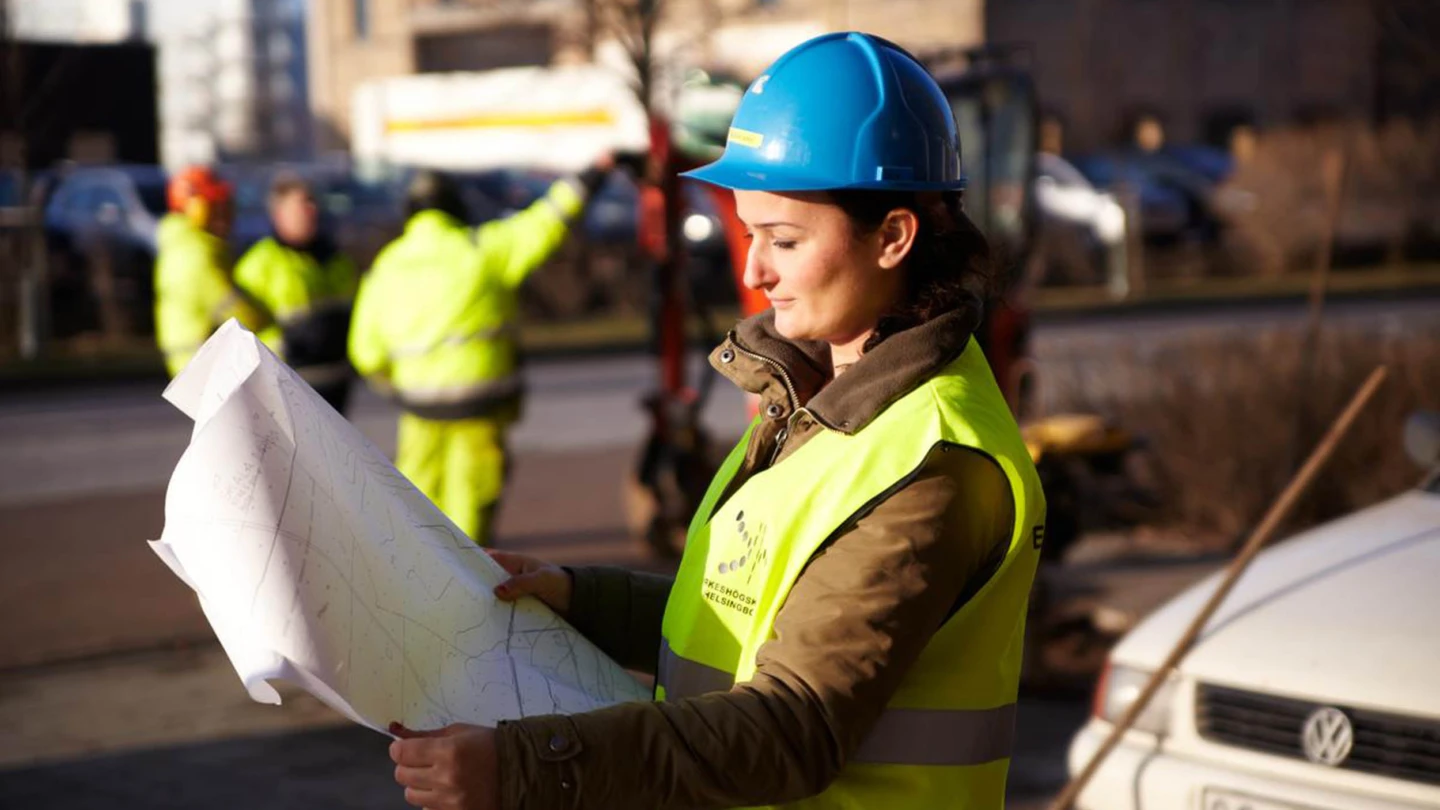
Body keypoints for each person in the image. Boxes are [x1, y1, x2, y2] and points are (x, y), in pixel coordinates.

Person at [385, 32, 1047, 810]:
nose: (751, 270)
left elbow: (790, 728)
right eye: (750, 232)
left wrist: (528, 766)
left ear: (894, 237)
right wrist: (579, 597)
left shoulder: (929, 466)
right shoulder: (821, 397)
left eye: (784, 240)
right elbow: (742, 618)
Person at [349, 160, 613, 546]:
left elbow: (365, 352)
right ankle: (466, 580)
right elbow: (547, 220)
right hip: (480, 401)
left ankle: (419, 575)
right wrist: (592, 175)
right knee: (470, 498)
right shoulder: (485, 250)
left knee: (417, 494)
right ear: (456, 208)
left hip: (419, 406)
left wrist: (398, 384)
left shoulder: (387, 265)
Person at [234, 173, 359, 413]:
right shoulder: (259, 265)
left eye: (313, 203)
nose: (311, 211)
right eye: (302, 205)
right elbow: (242, 331)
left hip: (337, 382)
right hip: (288, 385)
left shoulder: (337, 261)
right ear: (279, 213)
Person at [154, 166, 273, 377]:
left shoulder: (191, 246)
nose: (225, 214)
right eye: (216, 206)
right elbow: (239, 314)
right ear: (194, 209)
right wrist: (273, 319)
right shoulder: (195, 254)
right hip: (207, 370)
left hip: (205, 366)